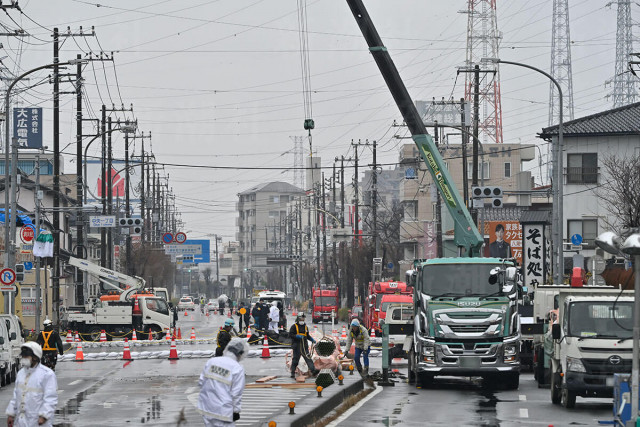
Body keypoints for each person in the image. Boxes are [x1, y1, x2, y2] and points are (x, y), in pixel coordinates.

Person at [198, 338, 248, 427]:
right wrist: (236, 411)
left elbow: (201, 382)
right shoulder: (237, 368)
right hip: (223, 411)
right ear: (240, 354)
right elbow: (236, 393)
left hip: (206, 408)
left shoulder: (212, 362)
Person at [6, 342, 58, 427]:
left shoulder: (47, 374)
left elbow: (50, 398)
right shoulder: (21, 373)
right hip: (21, 422)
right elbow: (16, 396)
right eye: (23, 356)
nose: (23, 358)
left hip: (38, 422)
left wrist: (44, 416)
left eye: (26, 356)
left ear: (35, 357)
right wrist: (11, 414)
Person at [288, 313, 319, 378]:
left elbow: (307, 336)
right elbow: (290, 335)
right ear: (299, 318)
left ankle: (313, 371)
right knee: (295, 360)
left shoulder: (305, 327)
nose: (303, 319)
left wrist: (311, 339)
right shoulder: (294, 326)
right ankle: (292, 372)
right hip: (297, 346)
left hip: (304, 346)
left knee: (308, 359)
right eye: (302, 318)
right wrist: (296, 336)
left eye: (304, 318)